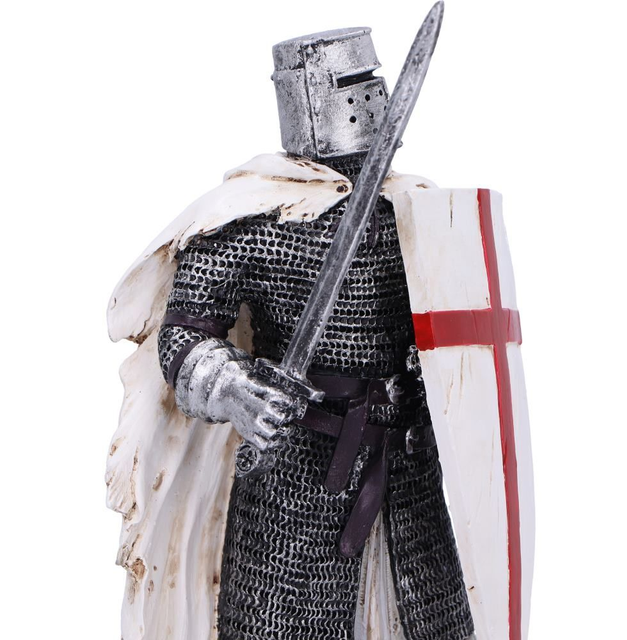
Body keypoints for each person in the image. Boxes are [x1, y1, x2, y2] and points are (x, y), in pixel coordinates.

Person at [107, 26, 475, 640]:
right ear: (307, 93)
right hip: (298, 477)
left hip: (408, 473)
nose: (370, 96)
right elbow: (185, 334)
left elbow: (462, 336)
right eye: (351, 84)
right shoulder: (253, 217)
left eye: (372, 80)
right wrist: (235, 390)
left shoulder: (419, 211)